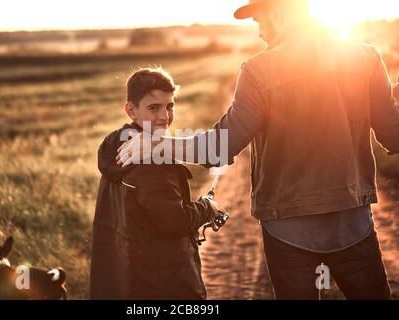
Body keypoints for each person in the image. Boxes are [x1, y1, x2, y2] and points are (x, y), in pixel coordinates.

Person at [117, 0, 399, 299]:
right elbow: (393, 136)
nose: (260, 31)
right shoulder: (366, 58)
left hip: (288, 232)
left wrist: (159, 144)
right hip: (353, 224)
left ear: (277, 13)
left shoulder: (258, 70)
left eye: (259, 20)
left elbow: (221, 145)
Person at [90, 67, 226, 300]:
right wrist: (208, 207)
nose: (165, 116)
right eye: (154, 108)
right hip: (163, 283)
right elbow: (175, 221)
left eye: (170, 106)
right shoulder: (152, 162)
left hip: (125, 279)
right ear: (131, 110)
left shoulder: (116, 146)